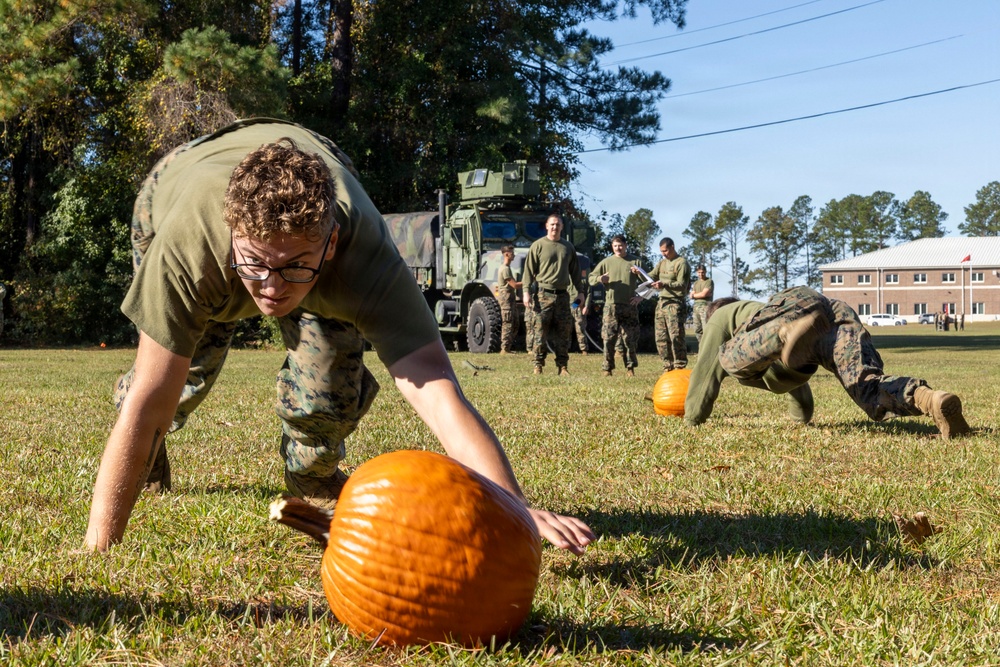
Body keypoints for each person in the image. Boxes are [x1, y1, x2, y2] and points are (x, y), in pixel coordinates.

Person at [83, 119, 594, 555]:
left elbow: (437, 392)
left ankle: (313, 474)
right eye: (256, 263)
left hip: (318, 160)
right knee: (181, 377)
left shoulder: (366, 257)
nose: (272, 288)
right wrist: (99, 551)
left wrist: (515, 509)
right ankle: (144, 461)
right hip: (177, 182)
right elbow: (153, 394)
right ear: (233, 234)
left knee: (330, 383)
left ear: (329, 248)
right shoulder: (188, 243)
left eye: (294, 267)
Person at [683, 286, 972, 440]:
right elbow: (793, 383)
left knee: (730, 361)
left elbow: (706, 373)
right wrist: (802, 416)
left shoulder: (722, 317)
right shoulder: (761, 318)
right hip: (831, 310)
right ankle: (929, 399)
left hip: (794, 308)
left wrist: (692, 419)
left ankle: (782, 334)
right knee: (867, 386)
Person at [521, 214, 582, 375]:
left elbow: (575, 272)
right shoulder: (538, 245)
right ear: (547, 226)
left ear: (562, 227)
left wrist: (580, 292)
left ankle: (562, 367)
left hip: (563, 296)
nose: (555, 227)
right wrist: (526, 292)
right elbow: (528, 271)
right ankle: (538, 366)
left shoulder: (568, 247)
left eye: (558, 224)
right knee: (540, 332)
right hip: (543, 295)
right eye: (552, 224)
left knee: (564, 334)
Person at [588, 235, 642, 377]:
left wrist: (640, 297)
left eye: (621, 245)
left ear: (625, 245)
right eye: (615, 246)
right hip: (611, 306)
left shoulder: (635, 262)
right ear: (612, 247)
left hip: (629, 306)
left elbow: (649, 282)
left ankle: (630, 368)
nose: (618, 248)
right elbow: (591, 278)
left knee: (630, 339)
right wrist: (600, 278)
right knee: (608, 338)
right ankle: (607, 368)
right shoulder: (606, 262)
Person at [648, 237, 690, 371]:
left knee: (676, 335)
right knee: (661, 337)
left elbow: (682, 285)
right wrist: (638, 273)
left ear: (672, 247)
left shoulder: (681, 263)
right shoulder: (661, 263)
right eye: (661, 251)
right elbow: (651, 275)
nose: (663, 254)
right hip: (661, 303)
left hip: (674, 303)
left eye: (665, 250)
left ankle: (679, 365)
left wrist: (664, 284)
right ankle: (667, 366)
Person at [496, 245, 522, 354]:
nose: (514, 255)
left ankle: (508, 347)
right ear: (506, 254)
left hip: (510, 298)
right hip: (506, 298)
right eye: (512, 253)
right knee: (508, 322)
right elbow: (515, 285)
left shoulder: (507, 268)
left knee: (515, 322)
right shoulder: (505, 269)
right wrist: (529, 281)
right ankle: (504, 348)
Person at [689, 264, 714, 345]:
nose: (701, 274)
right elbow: (691, 295)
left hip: (705, 306)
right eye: (699, 272)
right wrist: (695, 295)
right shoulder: (696, 283)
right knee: (697, 329)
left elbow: (704, 294)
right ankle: (702, 347)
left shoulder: (709, 281)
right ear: (697, 273)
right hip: (696, 307)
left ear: (705, 272)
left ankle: (708, 347)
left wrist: (695, 295)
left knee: (706, 328)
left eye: (702, 272)